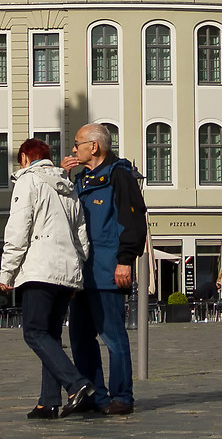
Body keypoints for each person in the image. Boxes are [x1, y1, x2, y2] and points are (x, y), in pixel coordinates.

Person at [0, 137, 97, 418]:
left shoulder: (28, 181)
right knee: (50, 335)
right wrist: (77, 271)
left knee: (34, 332)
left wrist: (7, 271)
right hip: (66, 273)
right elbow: (81, 236)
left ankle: (76, 384)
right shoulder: (68, 188)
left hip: (40, 270)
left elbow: (18, 230)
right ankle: (48, 401)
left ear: (26, 159)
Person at [64, 124, 147, 413]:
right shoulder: (80, 180)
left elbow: (134, 223)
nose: (74, 149)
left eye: (77, 143)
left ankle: (121, 396)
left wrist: (125, 260)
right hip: (81, 274)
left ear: (94, 147)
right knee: (79, 337)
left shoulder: (120, 176)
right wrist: (62, 177)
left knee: (113, 336)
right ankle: (94, 395)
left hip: (110, 271)